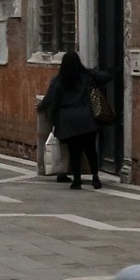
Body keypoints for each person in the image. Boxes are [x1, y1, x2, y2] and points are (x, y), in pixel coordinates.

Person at [39, 46, 103, 189]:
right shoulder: (85, 77)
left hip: (69, 121)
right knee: (91, 149)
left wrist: (46, 113)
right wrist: (90, 72)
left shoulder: (59, 80)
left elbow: (51, 99)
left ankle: (77, 179)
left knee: (75, 151)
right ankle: (95, 177)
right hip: (87, 118)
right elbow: (105, 77)